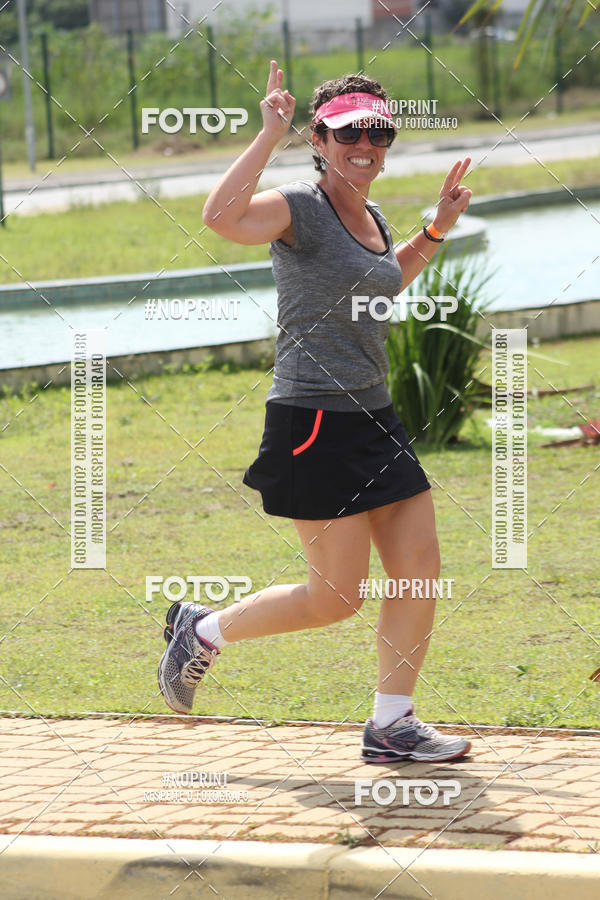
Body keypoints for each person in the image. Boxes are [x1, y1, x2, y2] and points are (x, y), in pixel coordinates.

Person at [158, 61, 473, 763]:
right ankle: (203, 632)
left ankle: (393, 723)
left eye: (379, 130)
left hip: (374, 416)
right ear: (320, 139)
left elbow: (382, 286)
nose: (367, 143)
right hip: (314, 420)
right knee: (335, 597)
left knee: (419, 566)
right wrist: (267, 133)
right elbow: (221, 219)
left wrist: (436, 229)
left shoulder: (373, 213)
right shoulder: (298, 205)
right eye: (350, 131)